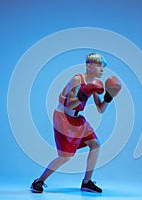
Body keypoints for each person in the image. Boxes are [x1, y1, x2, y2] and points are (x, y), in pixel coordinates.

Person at [30, 53, 121, 193]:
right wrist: (84, 93)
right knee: (65, 157)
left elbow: (100, 109)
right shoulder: (77, 79)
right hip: (64, 118)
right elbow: (70, 105)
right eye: (99, 65)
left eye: (103, 66)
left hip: (78, 119)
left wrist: (109, 98)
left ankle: (87, 182)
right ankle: (39, 181)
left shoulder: (95, 84)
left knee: (95, 145)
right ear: (88, 65)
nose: (102, 69)